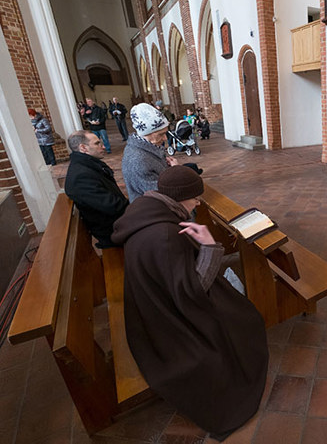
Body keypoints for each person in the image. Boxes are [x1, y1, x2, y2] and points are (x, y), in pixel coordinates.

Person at [111, 166, 268, 441]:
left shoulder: (145, 208)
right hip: (167, 317)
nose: (198, 203)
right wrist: (209, 247)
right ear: (181, 197)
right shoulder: (165, 235)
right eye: (195, 198)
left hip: (152, 301)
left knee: (235, 307)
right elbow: (193, 291)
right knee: (243, 320)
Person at [64, 130, 128, 248]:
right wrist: (137, 208)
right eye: (97, 143)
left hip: (117, 221)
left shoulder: (87, 165)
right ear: (83, 148)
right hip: (112, 230)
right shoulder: (81, 177)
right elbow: (113, 207)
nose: (103, 147)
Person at [122, 102, 178, 202]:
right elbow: (163, 194)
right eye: (161, 134)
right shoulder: (139, 160)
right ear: (147, 133)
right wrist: (176, 171)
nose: (165, 138)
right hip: (155, 208)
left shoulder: (147, 148)